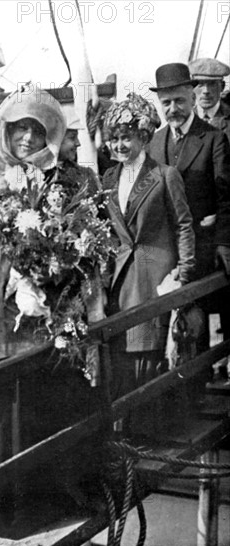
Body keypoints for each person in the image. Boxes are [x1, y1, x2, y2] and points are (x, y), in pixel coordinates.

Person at [0, 87, 66, 535]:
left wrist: (36, 276)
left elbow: (65, 243)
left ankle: (27, 508)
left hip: (30, 315)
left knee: (28, 400)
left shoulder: (57, 179)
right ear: (6, 131)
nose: (26, 138)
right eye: (19, 128)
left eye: (35, 130)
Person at [103, 93, 195, 407]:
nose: (118, 146)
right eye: (113, 139)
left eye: (125, 138)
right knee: (123, 348)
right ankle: (128, 428)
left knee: (152, 346)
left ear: (143, 136)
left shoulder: (165, 175)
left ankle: (155, 424)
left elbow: (184, 224)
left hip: (155, 271)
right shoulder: (108, 178)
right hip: (122, 275)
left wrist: (184, 272)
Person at [149, 63, 230, 349]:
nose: (173, 108)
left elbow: (225, 196)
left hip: (203, 248)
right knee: (167, 327)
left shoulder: (212, 138)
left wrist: (222, 242)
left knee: (200, 324)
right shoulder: (154, 142)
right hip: (165, 251)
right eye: (166, 103)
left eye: (180, 100)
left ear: (193, 99)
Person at [189, 57, 230, 142]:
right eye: (200, 84)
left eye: (212, 84)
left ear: (222, 87)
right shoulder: (185, 118)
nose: (206, 91)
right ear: (191, 87)